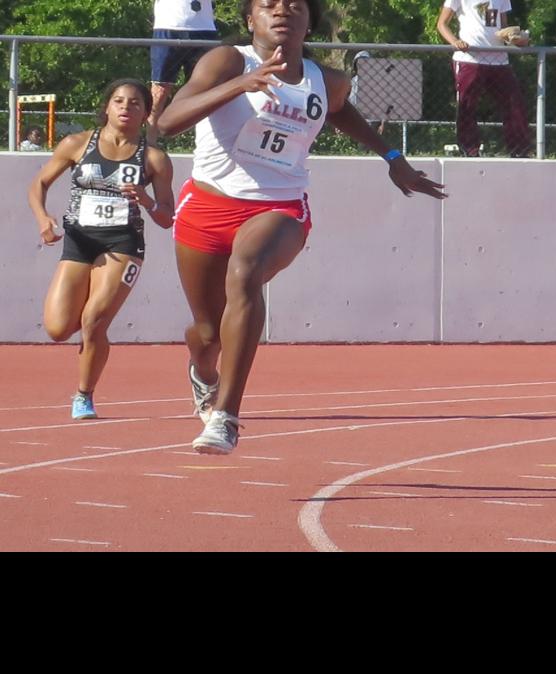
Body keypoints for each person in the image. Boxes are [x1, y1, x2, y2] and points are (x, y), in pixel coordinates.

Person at [158, 0, 447, 454]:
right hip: (207, 207)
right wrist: (240, 84)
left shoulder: (324, 79)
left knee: (246, 273)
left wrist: (393, 158)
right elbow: (167, 122)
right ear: (249, 19)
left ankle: (225, 418)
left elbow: (340, 110)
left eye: (294, 6)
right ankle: (203, 372)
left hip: (279, 206)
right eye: (268, 5)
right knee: (207, 332)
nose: (281, 12)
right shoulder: (226, 60)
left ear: (309, 19)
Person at [26, 80, 176, 420]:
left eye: (135, 103)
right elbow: (39, 183)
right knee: (58, 328)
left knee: (94, 320)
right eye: (119, 101)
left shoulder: (154, 159)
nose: (126, 107)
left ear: (145, 113)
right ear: (106, 107)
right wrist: (42, 218)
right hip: (79, 239)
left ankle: (84, 394)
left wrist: (148, 200)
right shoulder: (77, 144)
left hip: (123, 243)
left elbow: (168, 217)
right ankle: (91, 341)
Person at [435, 0, 531, 157]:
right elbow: (441, 24)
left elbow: (503, 29)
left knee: (514, 103)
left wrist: (515, 39)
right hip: (470, 58)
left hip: (499, 59)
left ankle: (519, 150)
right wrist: (455, 42)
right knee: (467, 105)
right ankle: (470, 149)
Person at [150, 0, 223, 143]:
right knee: (159, 91)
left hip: (204, 28)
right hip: (168, 26)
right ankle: (149, 144)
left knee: (204, 91)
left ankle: (203, 143)